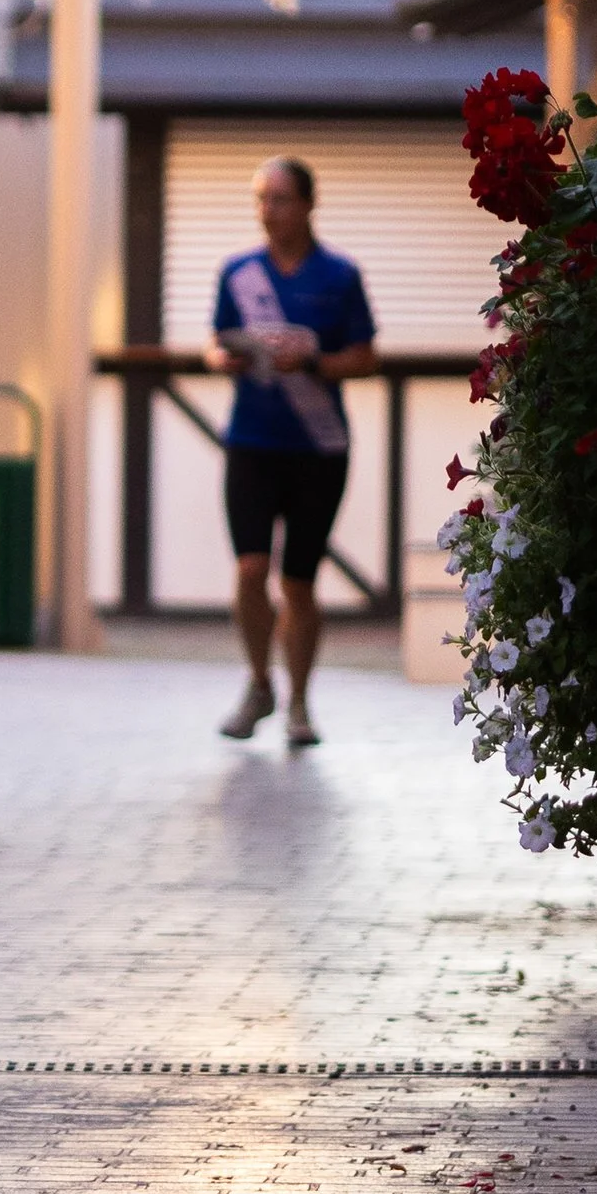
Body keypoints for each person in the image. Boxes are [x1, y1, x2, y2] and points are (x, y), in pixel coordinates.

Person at [207, 154, 378, 750]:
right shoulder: (238, 274)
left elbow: (363, 355)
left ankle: (300, 704)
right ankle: (259, 684)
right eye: (260, 199)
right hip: (252, 442)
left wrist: (310, 362)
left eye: (278, 198)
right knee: (250, 569)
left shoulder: (338, 275)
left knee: (299, 582)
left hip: (318, 448)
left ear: (307, 203)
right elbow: (216, 343)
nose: (268, 211)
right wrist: (228, 357)